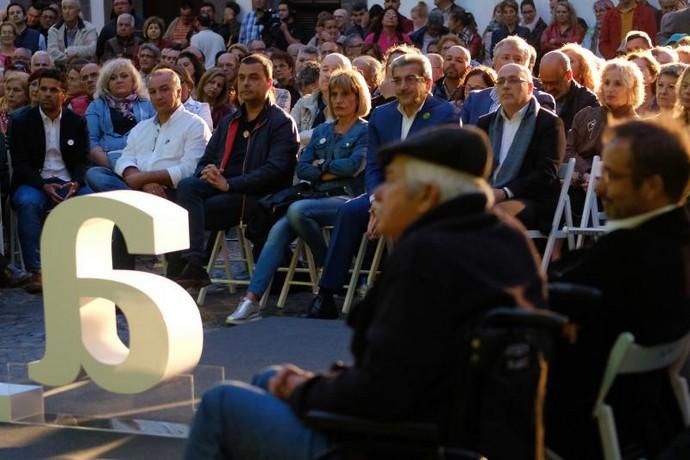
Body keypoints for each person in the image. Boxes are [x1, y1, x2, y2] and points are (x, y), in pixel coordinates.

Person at [184, 125, 547, 459]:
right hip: (463, 430)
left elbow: (384, 392)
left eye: (391, 182)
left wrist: (304, 389)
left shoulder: (427, 253)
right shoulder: (507, 237)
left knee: (220, 402)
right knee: (268, 379)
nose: (377, 195)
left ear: (428, 196)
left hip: (394, 441)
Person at [548, 119, 690, 459]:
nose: (600, 187)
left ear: (653, 186)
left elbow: (568, 304)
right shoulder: (677, 236)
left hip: (595, 415)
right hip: (656, 410)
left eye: (612, 176)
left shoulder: (631, 251)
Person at [305, 53, 458, 319]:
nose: (403, 86)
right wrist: (377, 202)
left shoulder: (444, 114)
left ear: (428, 82)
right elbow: (375, 165)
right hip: (384, 194)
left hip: (426, 197)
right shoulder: (382, 115)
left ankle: (405, 297)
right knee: (350, 211)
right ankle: (327, 294)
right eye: (396, 80)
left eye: (411, 79)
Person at [226, 68, 370, 324]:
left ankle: (332, 269)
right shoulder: (323, 131)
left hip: (348, 198)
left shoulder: (366, 131)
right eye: (333, 94)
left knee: (296, 212)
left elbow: (354, 166)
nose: (338, 100)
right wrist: (328, 170)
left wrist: (321, 168)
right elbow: (302, 167)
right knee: (280, 228)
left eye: (345, 95)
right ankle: (251, 299)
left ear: (358, 98)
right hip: (314, 197)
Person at [172, 54, 299, 287]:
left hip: (259, 196)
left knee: (192, 212)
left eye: (253, 78)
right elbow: (204, 160)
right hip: (223, 188)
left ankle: (191, 266)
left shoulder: (281, 122)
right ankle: (194, 263)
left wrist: (231, 184)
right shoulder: (230, 121)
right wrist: (207, 171)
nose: (245, 83)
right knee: (187, 186)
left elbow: (276, 171)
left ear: (269, 83)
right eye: (241, 78)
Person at [85, 68, 211, 270]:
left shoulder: (195, 125)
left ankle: (134, 204)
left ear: (179, 91)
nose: (158, 96)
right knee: (95, 173)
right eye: (153, 92)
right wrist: (144, 183)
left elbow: (190, 170)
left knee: (123, 212)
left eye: (164, 90)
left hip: (171, 194)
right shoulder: (141, 128)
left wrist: (145, 179)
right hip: (138, 190)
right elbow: (125, 159)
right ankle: (135, 202)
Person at [9, 68, 92, 293]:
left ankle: (86, 268)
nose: (46, 94)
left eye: (53, 90)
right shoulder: (21, 120)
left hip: (68, 181)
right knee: (28, 203)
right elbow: (21, 164)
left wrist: (75, 182)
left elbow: (84, 159)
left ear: (63, 94)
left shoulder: (76, 121)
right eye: (42, 89)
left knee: (91, 203)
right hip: (34, 181)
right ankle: (38, 272)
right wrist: (43, 185)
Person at [477, 63, 565, 232]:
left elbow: (546, 173)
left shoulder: (548, 123)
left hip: (530, 200)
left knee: (490, 215)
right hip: (489, 195)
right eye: (500, 81)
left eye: (514, 80)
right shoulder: (485, 123)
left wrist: (505, 192)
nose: (506, 86)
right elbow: (474, 167)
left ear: (530, 87)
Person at [567, 58, 643, 179]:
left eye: (618, 84)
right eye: (606, 83)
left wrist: (599, 181)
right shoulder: (584, 115)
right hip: (576, 185)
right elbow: (568, 149)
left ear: (632, 89)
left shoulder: (638, 127)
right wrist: (585, 173)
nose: (610, 89)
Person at [461, 36, 556, 125]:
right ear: (494, 62)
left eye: (518, 59)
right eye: (506, 58)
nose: (511, 63)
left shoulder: (541, 100)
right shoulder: (474, 99)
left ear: (527, 66)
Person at [85, 58, 155, 168]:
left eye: (124, 76)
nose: (119, 80)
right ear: (106, 84)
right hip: (110, 159)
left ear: (133, 80)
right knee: (94, 175)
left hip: (143, 158)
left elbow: (157, 134)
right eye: (113, 78)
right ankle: (137, 180)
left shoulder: (147, 104)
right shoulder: (96, 106)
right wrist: (115, 167)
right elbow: (92, 141)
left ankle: (137, 179)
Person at [291, 53, 351, 146]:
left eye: (335, 69)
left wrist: (300, 137)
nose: (328, 74)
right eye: (325, 69)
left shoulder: (351, 105)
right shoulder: (303, 103)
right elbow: (288, 134)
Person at [539, 50, 600, 131]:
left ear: (569, 75)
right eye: (544, 83)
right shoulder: (538, 97)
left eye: (554, 83)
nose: (549, 88)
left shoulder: (587, 102)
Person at [47, 0, 98, 65]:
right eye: (64, 8)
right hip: (60, 68)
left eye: (70, 8)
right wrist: (71, 60)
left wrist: (68, 51)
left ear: (78, 11)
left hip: (84, 66)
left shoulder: (89, 28)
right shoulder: (54, 30)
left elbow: (91, 50)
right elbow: (52, 53)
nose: (67, 12)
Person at [627, 51, 660, 116]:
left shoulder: (661, 104)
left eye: (640, 69)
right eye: (630, 70)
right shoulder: (620, 104)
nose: (634, 73)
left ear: (653, 76)